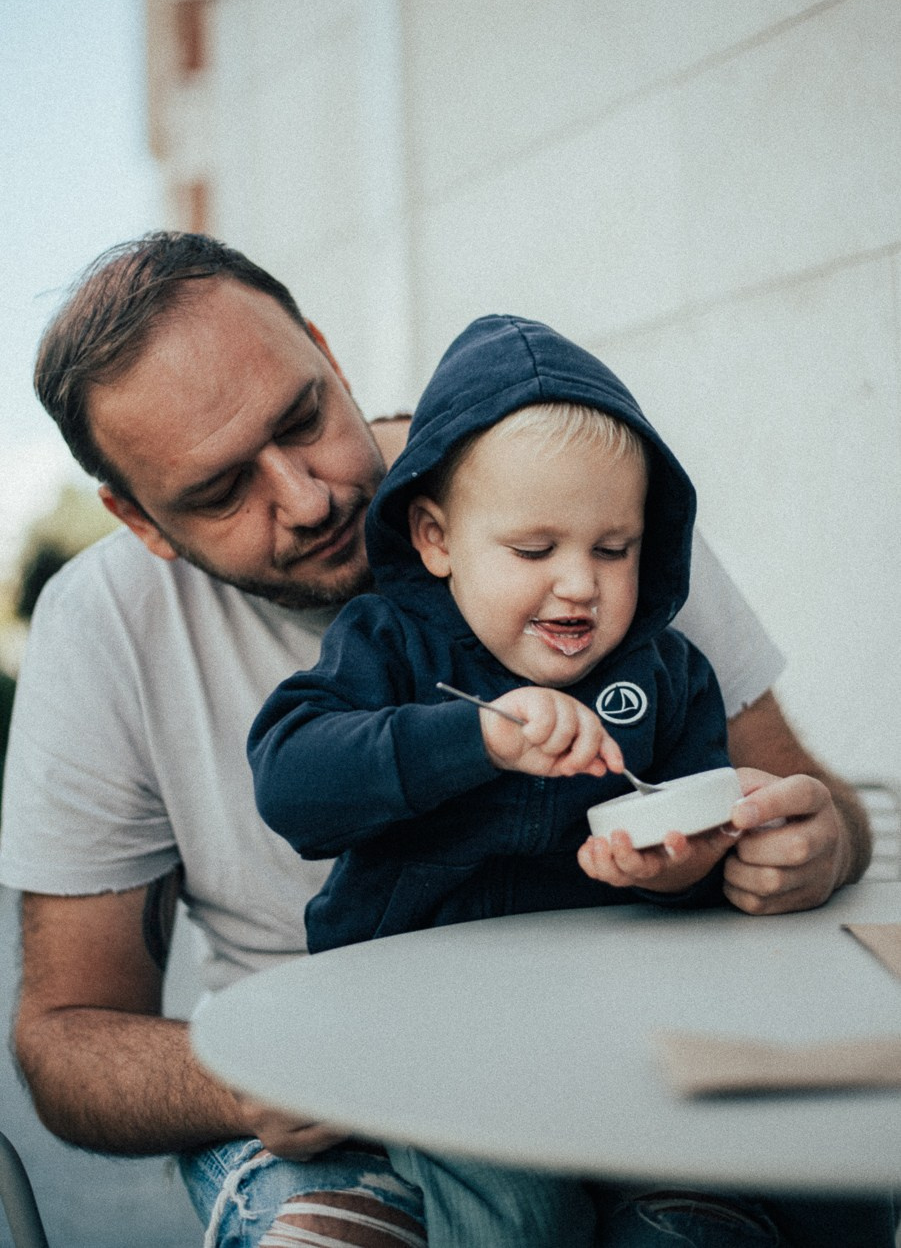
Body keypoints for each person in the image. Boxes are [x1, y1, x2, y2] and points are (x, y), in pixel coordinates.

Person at [0, 232, 880, 1248]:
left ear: (327, 353)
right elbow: (64, 1041)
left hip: (628, 1044)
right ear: (139, 519)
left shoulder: (562, 482)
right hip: (338, 1090)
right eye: (219, 491)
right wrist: (255, 1077)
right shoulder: (106, 626)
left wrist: (811, 845)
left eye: (303, 418)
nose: (309, 496)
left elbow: (793, 800)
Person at [248, 314, 742, 1245]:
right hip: (427, 1033)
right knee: (523, 1209)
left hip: (613, 1032)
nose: (578, 586)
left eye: (612, 548)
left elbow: (709, 836)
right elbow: (291, 780)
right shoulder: (386, 644)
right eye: (533, 550)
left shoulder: (665, 676)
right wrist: (474, 738)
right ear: (435, 539)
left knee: (722, 1205)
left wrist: (677, 867)